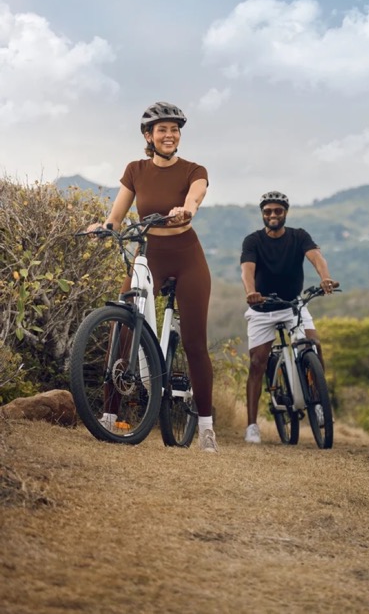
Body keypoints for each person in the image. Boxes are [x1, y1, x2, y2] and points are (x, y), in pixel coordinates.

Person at [88, 101, 218, 452]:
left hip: (187, 255)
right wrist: (104, 227)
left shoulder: (194, 169)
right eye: (162, 130)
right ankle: (110, 415)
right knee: (122, 327)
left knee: (194, 342)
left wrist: (186, 210)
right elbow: (117, 216)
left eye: (174, 130)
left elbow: (196, 195)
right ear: (149, 135)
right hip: (149, 254)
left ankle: (206, 427)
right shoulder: (135, 170)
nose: (169, 135)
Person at [240, 190, 337, 444]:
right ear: (262, 214)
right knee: (257, 363)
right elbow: (247, 270)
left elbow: (316, 257)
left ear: (285, 213)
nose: (273, 215)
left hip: (293, 305)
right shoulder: (253, 241)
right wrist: (251, 292)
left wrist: (325, 278)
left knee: (313, 345)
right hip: (262, 309)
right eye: (268, 211)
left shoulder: (298, 236)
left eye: (278, 211)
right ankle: (252, 426)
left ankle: (318, 402)